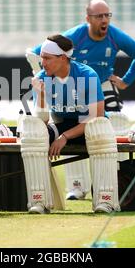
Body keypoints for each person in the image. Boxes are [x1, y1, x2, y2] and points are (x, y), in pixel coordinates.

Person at [26, 0, 135, 200]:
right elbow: (36, 52)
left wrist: (126, 81)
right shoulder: (75, 36)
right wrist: (41, 83)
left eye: (107, 15)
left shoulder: (114, 36)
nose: (104, 20)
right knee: (65, 125)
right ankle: (76, 186)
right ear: (88, 18)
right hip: (69, 85)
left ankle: (116, 180)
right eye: (99, 16)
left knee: (105, 125)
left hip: (99, 83)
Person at [21, 34, 121, 214]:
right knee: (34, 133)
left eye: (47, 58)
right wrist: (42, 96)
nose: (42, 62)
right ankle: (39, 201)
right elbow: (42, 121)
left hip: (93, 126)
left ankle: (105, 201)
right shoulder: (42, 78)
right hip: (62, 124)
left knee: (98, 131)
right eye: (42, 57)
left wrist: (64, 137)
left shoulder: (87, 74)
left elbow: (94, 117)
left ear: (62, 58)